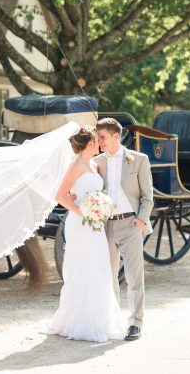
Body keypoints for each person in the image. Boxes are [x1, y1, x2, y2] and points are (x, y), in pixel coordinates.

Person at [41, 126, 126, 342]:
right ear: (90, 144)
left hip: (94, 225)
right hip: (80, 224)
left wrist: (98, 210)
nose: (100, 143)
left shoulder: (94, 164)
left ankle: (101, 319)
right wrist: (84, 213)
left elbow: (93, 192)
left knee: (99, 267)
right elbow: (60, 195)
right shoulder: (76, 165)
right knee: (82, 267)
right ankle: (80, 321)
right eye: (97, 140)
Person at [95, 118, 154, 341]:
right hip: (106, 225)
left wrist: (140, 221)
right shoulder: (98, 161)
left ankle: (136, 323)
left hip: (130, 224)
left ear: (116, 137)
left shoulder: (139, 160)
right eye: (98, 137)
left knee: (133, 276)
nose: (98, 141)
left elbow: (148, 197)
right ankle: (113, 320)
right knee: (109, 276)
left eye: (102, 137)